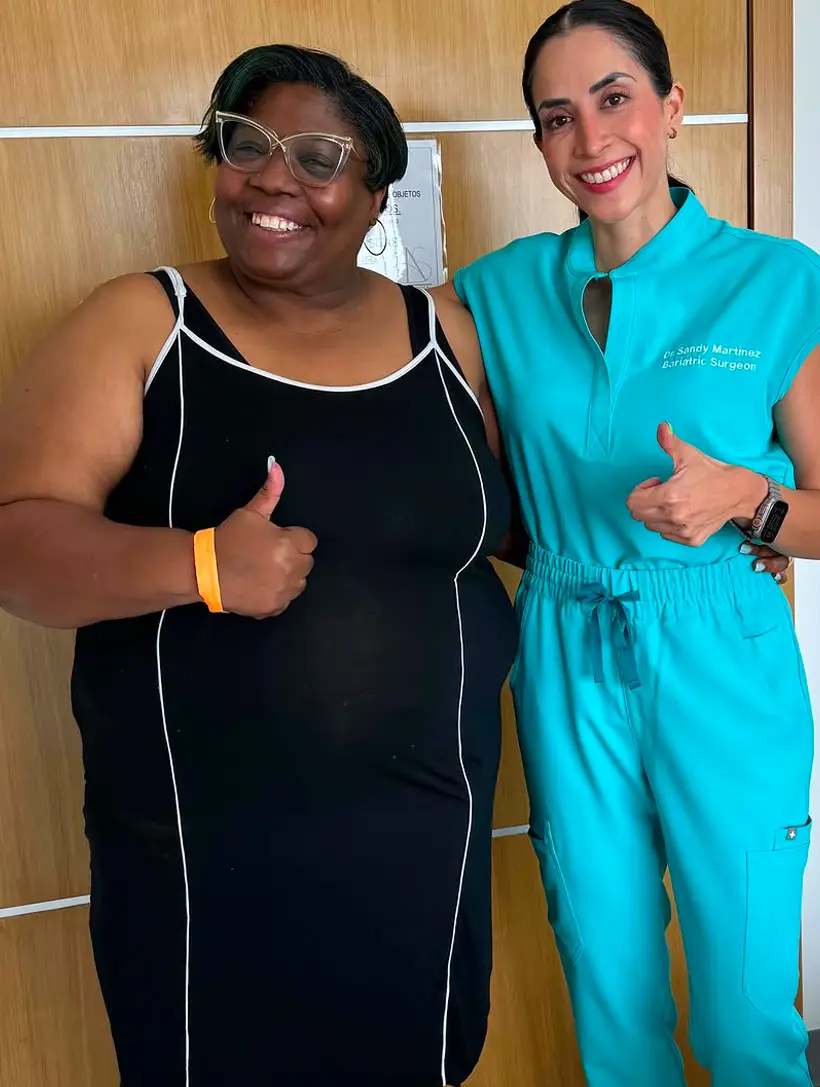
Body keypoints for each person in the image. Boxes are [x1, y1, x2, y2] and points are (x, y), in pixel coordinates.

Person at [0, 45, 519, 1087]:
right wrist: (199, 563)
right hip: (206, 863)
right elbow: (16, 540)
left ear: (375, 192)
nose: (274, 178)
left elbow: (515, 530)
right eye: (247, 145)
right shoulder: (142, 322)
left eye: (318, 156)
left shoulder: (450, 340)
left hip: (424, 846)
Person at [436, 1, 820, 1084]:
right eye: (557, 117)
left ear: (670, 108)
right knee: (609, 987)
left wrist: (749, 498)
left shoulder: (777, 281)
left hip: (721, 650)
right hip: (564, 643)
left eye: (614, 101)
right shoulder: (499, 290)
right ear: (539, 143)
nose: (592, 141)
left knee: (745, 1011)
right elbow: (386, 387)